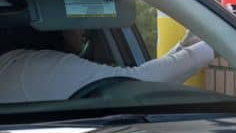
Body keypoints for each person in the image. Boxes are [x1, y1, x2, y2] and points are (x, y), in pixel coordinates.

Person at [0, 28, 213, 103]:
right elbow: (134, 83)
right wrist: (215, 44)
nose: (85, 27)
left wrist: (183, 47)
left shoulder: (14, 64)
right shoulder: (35, 66)